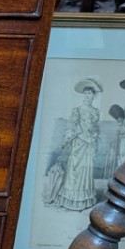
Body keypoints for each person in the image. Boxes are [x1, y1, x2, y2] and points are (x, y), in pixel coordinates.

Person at [43, 78, 102, 211]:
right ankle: (71, 199)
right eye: (85, 93)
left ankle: (84, 199)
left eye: (90, 93)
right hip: (79, 143)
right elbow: (72, 128)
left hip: (90, 144)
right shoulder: (77, 110)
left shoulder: (96, 112)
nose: (87, 96)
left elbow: (96, 128)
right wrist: (74, 138)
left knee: (86, 170)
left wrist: (94, 137)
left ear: (93, 96)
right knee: (75, 169)